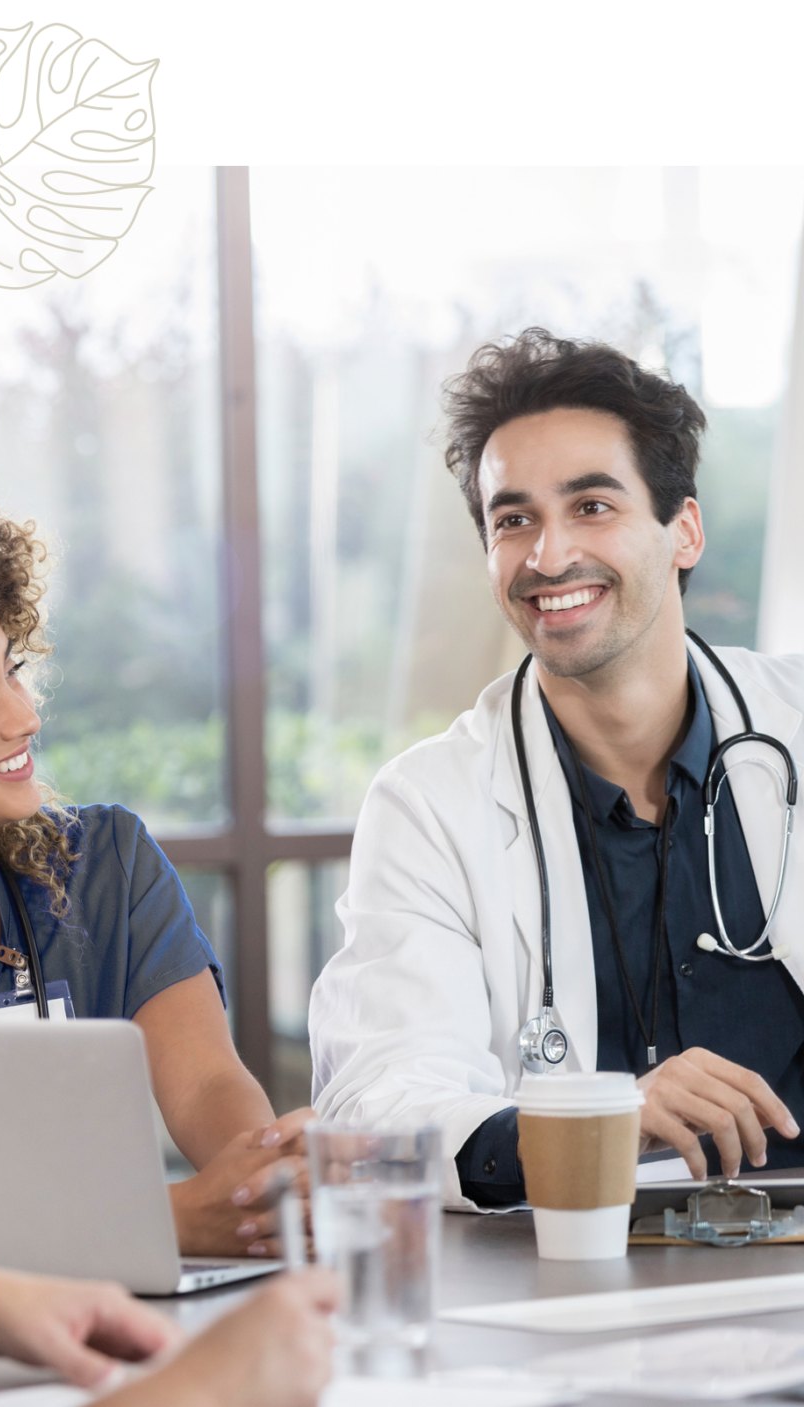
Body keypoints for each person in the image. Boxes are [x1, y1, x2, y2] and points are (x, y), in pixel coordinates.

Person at [0, 423, 338, 1407]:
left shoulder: (102, 864)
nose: (23, 717)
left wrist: (258, 1180)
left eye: (14, 671)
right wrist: (166, 1229)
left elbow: (209, 1083)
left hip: (60, 1348)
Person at [309, 328, 804, 1211]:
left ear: (682, 528)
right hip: (574, 1290)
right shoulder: (429, 805)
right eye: (514, 519)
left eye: (592, 506)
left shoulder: (794, 726)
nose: (547, 555)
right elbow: (379, 1105)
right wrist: (603, 1118)